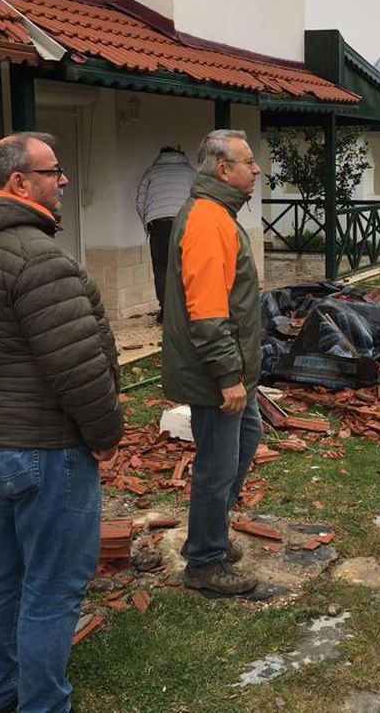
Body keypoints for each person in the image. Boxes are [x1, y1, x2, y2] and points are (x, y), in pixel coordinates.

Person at [0, 132, 123, 713]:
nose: (63, 180)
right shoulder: (37, 258)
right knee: (52, 588)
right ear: (18, 182)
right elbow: (78, 366)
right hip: (44, 447)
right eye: (53, 171)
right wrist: (106, 434)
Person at [162, 129, 263, 596]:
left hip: (232, 367)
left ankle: (211, 536)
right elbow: (207, 312)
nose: (256, 168)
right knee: (216, 466)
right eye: (248, 161)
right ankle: (204, 561)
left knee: (246, 440)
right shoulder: (206, 219)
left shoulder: (219, 213)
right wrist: (227, 376)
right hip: (215, 372)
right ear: (223, 169)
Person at [135, 146, 196, 322]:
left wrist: (148, 224)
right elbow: (199, 199)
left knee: (161, 270)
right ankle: (187, 310)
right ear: (182, 155)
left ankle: (166, 311)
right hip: (185, 225)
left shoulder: (151, 172)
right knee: (186, 269)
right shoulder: (190, 172)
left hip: (159, 225)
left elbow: (140, 201)